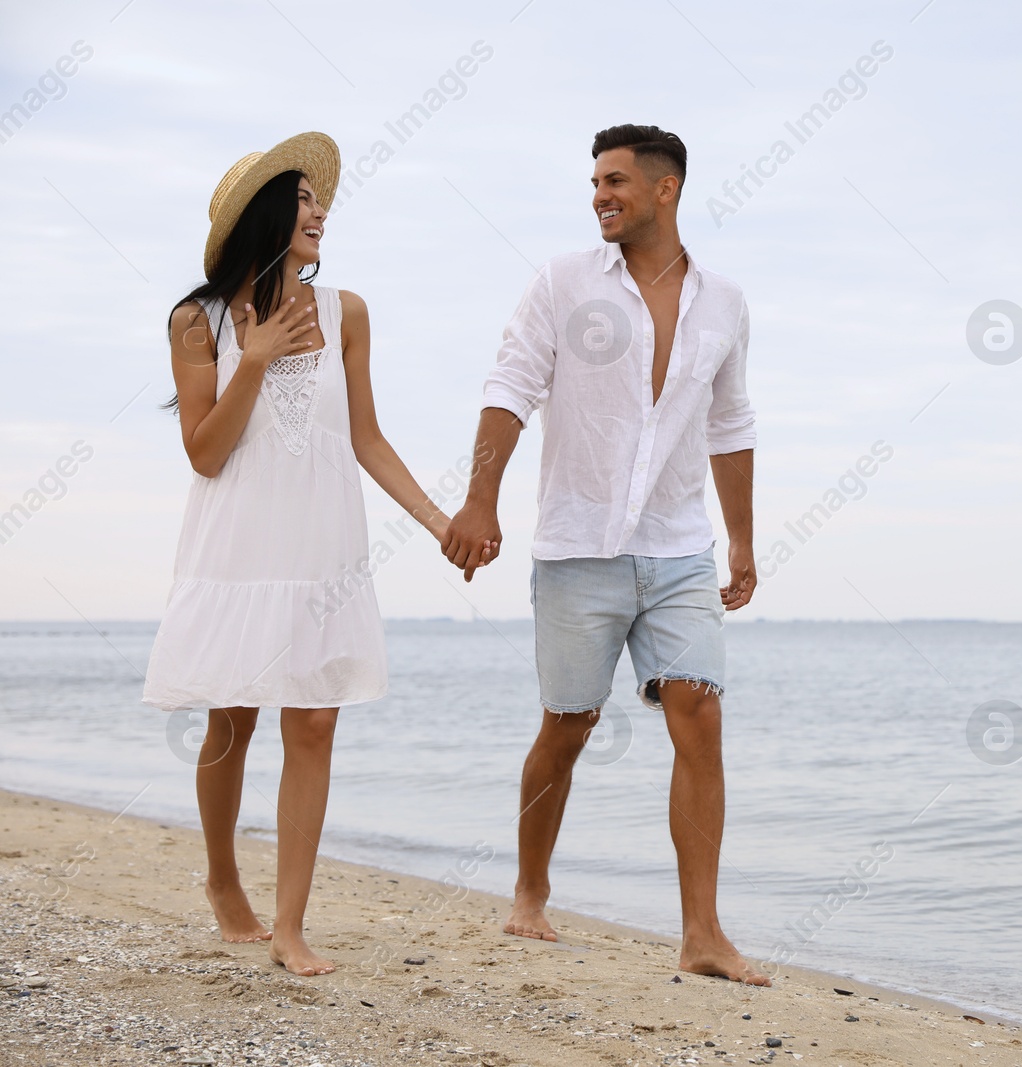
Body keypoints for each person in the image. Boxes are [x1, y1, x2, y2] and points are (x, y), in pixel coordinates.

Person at [142, 132, 481, 976]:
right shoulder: (200, 321)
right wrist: (251, 362)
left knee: (317, 720)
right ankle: (225, 880)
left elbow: (365, 436)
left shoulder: (347, 313)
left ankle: (291, 924)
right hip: (237, 544)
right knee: (231, 716)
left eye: (318, 200)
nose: (319, 211)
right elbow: (204, 452)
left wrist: (439, 519)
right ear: (264, 213)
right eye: (301, 199)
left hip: (323, 542)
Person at [442, 124, 766, 984]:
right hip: (578, 543)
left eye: (615, 181)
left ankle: (702, 932)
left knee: (698, 709)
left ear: (667, 189)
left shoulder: (725, 302)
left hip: (679, 546)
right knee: (569, 725)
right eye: (594, 182)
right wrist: (481, 496)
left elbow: (730, 424)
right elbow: (509, 387)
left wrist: (740, 538)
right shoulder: (563, 282)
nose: (599, 196)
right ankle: (530, 889)